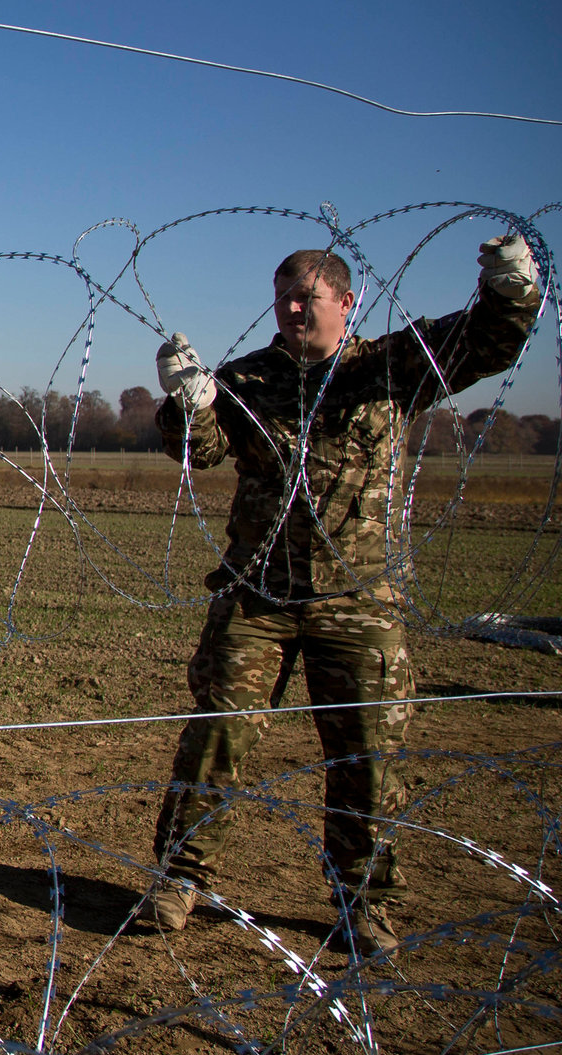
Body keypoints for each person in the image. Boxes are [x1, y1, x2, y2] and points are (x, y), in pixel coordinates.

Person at [140, 237, 540, 958]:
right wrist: (187, 403)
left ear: (344, 303)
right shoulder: (248, 379)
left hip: (360, 599)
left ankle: (365, 899)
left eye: (308, 298)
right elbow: (198, 453)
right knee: (217, 739)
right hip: (260, 593)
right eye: (284, 297)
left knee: (367, 755)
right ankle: (179, 879)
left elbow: (484, 345)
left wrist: (510, 294)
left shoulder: (388, 368)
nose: (293, 310)